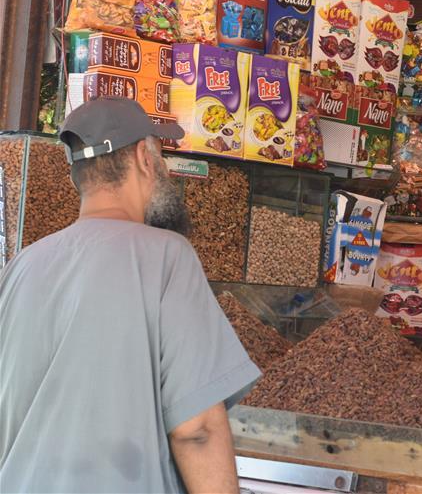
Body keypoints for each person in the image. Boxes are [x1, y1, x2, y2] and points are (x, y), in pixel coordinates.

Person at [0, 99, 261, 493]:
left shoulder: (20, 268)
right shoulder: (167, 256)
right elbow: (198, 430)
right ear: (144, 158)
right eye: (162, 155)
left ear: (77, 178)